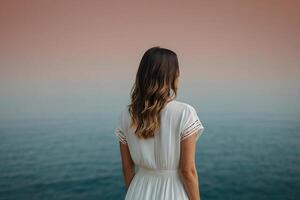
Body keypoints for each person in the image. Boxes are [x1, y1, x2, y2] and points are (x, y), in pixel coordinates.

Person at [114, 46, 205, 200]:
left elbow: (127, 168)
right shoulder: (185, 113)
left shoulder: (127, 115)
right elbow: (187, 171)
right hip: (174, 192)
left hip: (138, 191)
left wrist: (135, 192)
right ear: (171, 75)